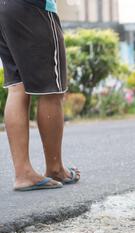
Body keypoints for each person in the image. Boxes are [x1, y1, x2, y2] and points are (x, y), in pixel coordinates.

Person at [0, 0, 80, 191]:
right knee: (52, 90)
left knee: (17, 88)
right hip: (33, 7)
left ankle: (23, 173)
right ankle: (55, 168)